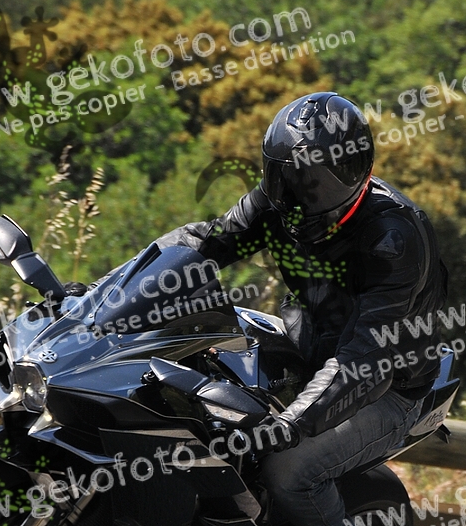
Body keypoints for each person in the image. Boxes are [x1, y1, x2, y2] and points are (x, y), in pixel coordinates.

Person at [155, 92, 448, 526]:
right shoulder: (279, 201)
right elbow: (204, 243)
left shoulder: (393, 238)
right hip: (309, 344)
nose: (299, 193)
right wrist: (107, 292)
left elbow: (364, 358)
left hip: (388, 384)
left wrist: (293, 422)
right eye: (286, 175)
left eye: (316, 180)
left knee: (287, 473)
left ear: (354, 173)